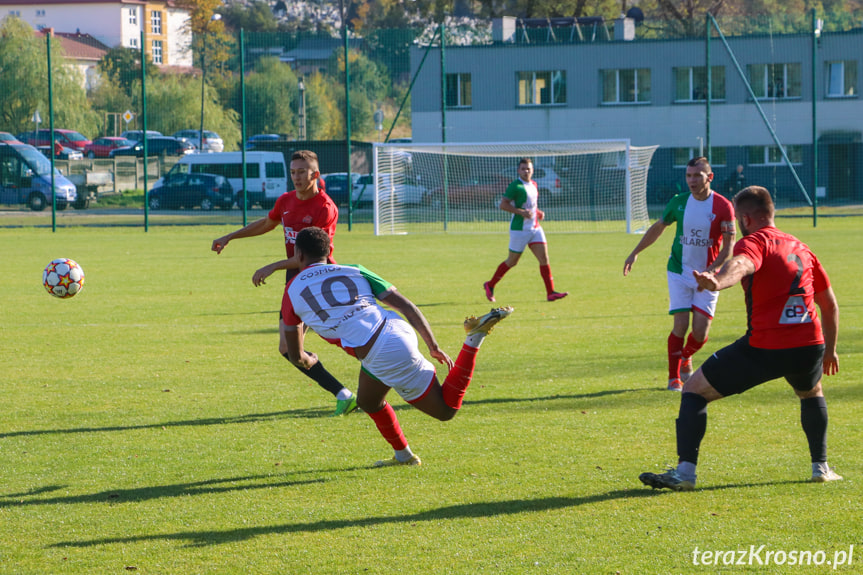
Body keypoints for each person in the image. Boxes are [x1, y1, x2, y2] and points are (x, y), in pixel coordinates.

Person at [639, 186, 841, 491]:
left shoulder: (754, 242)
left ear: (746, 218)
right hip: (810, 344)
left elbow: (742, 264)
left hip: (766, 346)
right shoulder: (802, 247)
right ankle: (821, 468)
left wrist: (717, 281)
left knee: (693, 390)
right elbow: (829, 304)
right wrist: (831, 350)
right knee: (811, 393)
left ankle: (685, 474)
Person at [284, 226, 513, 466]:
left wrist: (309, 361)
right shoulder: (355, 270)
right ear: (329, 251)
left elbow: (296, 354)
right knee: (368, 401)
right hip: (395, 329)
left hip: (381, 351)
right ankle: (403, 456)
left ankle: (473, 339)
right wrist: (432, 345)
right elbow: (406, 305)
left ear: (298, 254)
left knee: (445, 411)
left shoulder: (291, 290)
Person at [212, 150, 358, 417]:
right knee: (288, 349)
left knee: (349, 337)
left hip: (318, 280)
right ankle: (344, 393)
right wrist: (231, 236)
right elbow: (268, 222)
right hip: (296, 281)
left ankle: (366, 384)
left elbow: (316, 258)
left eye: (302, 172)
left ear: (315, 174)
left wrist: (274, 265)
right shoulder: (286, 201)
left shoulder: (325, 208)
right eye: (293, 172)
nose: (296, 177)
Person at [623, 157, 735, 391]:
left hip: (708, 277)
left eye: (697, 176)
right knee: (680, 326)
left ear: (709, 177)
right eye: (688, 176)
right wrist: (635, 252)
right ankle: (673, 377)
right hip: (679, 271)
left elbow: (728, 247)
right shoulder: (678, 202)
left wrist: (711, 271)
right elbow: (658, 227)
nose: (691, 180)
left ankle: (686, 356)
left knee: (701, 333)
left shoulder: (723, 206)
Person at [483, 158, 568, 303]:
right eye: (523, 169)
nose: (526, 171)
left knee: (544, 259)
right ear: (518, 170)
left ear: (532, 170)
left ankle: (550, 292)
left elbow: (531, 205)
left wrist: (538, 212)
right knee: (512, 261)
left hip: (535, 228)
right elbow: (503, 205)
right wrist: (521, 212)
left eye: (528, 168)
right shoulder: (515, 186)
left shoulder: (534, 184)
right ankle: (490, 285)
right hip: (519, 230)